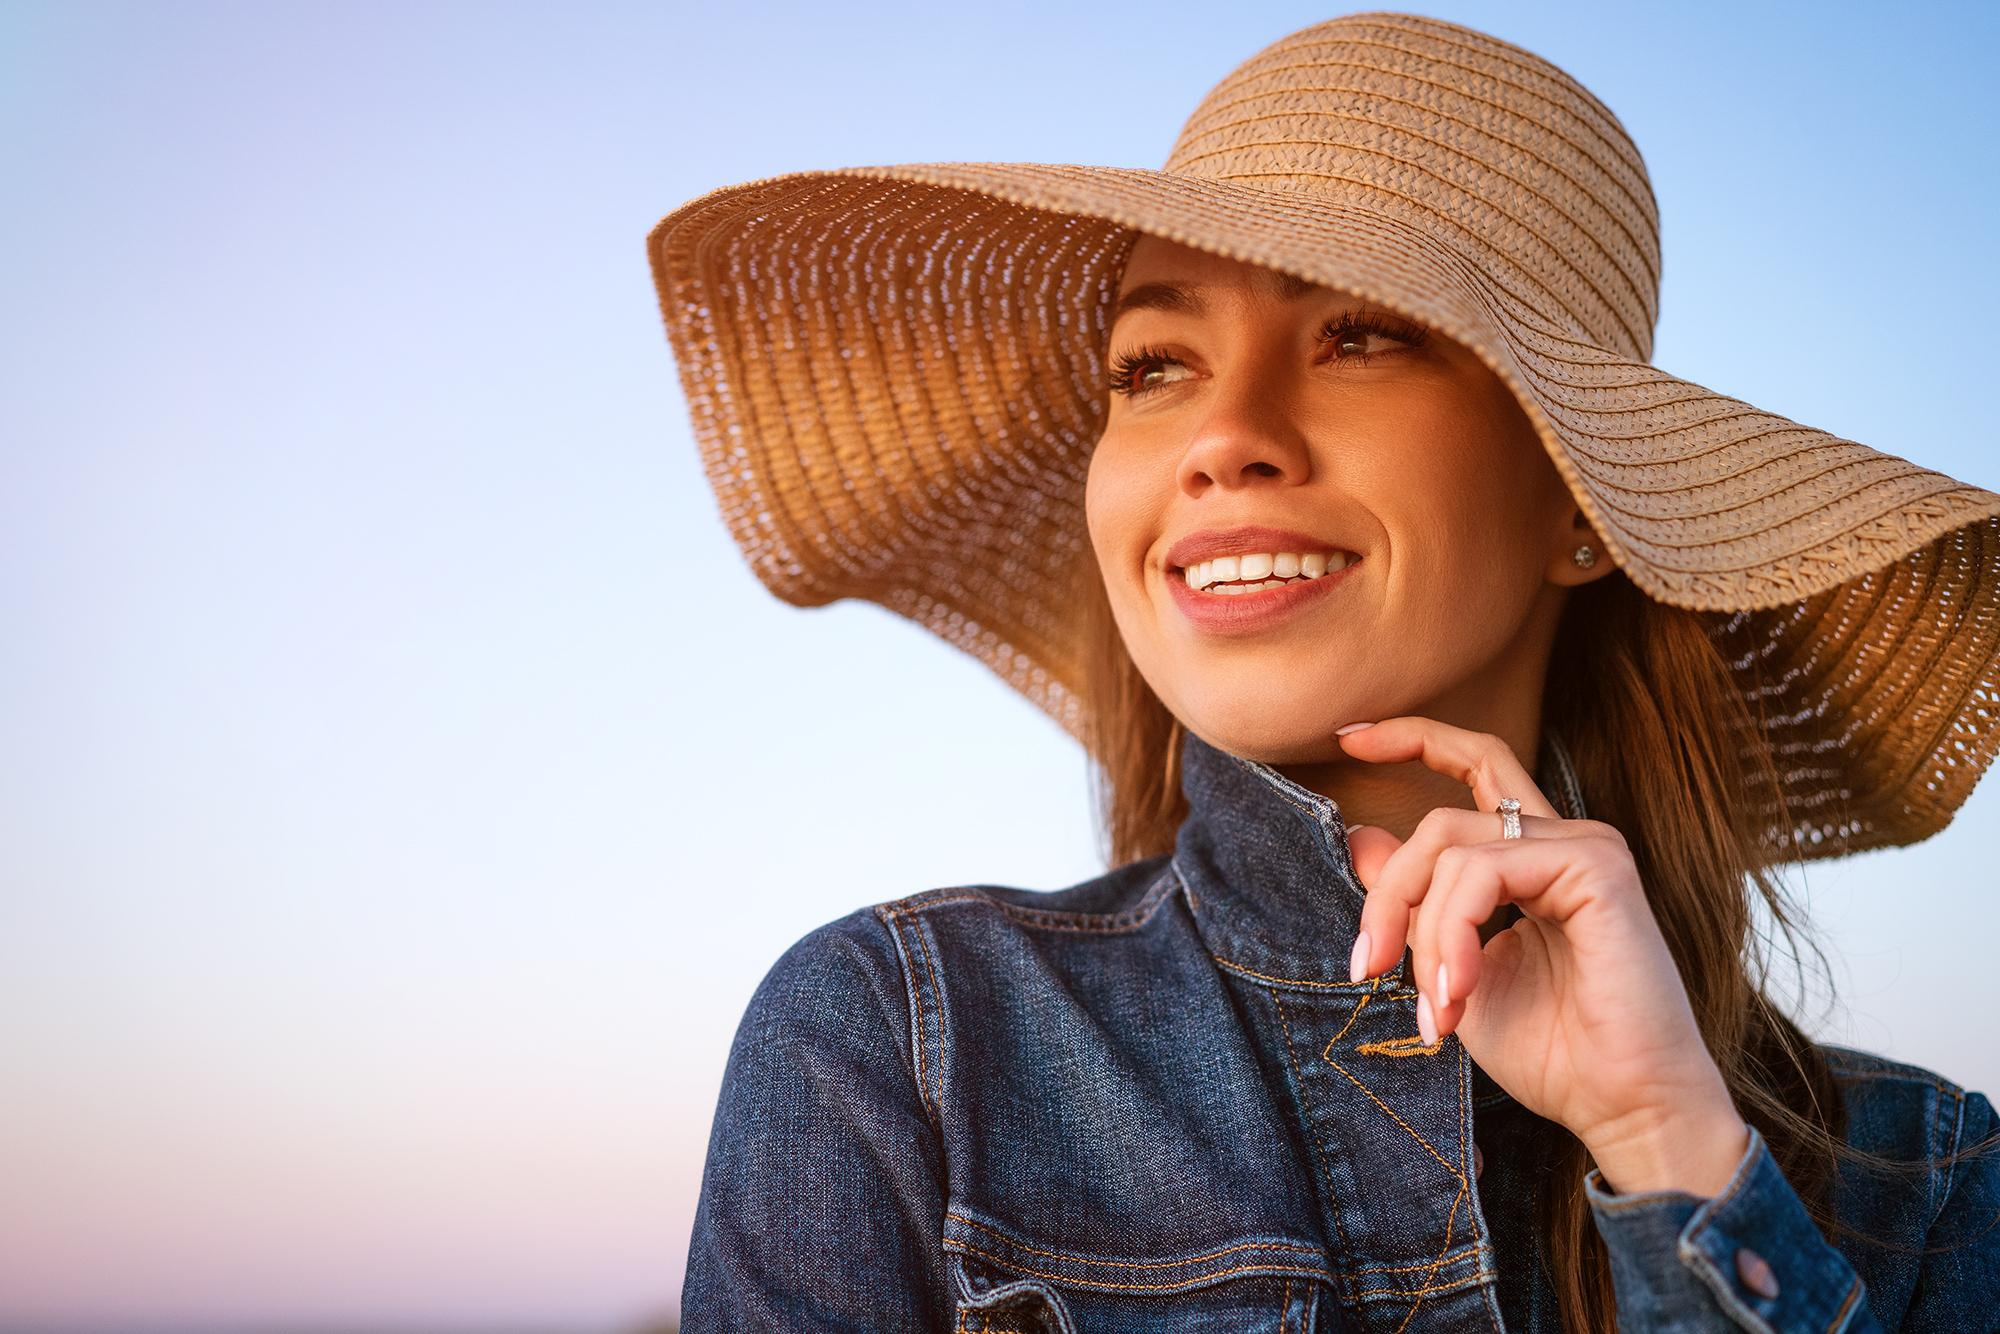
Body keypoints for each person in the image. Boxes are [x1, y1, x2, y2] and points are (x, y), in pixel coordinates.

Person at [649, 12, 2000, 1331]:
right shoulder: (901, 1047)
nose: (1222, 437)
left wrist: (1670, 1149)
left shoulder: (1930, 1182)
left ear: (1582, 501)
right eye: (1153, 365)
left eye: (1360, 336)